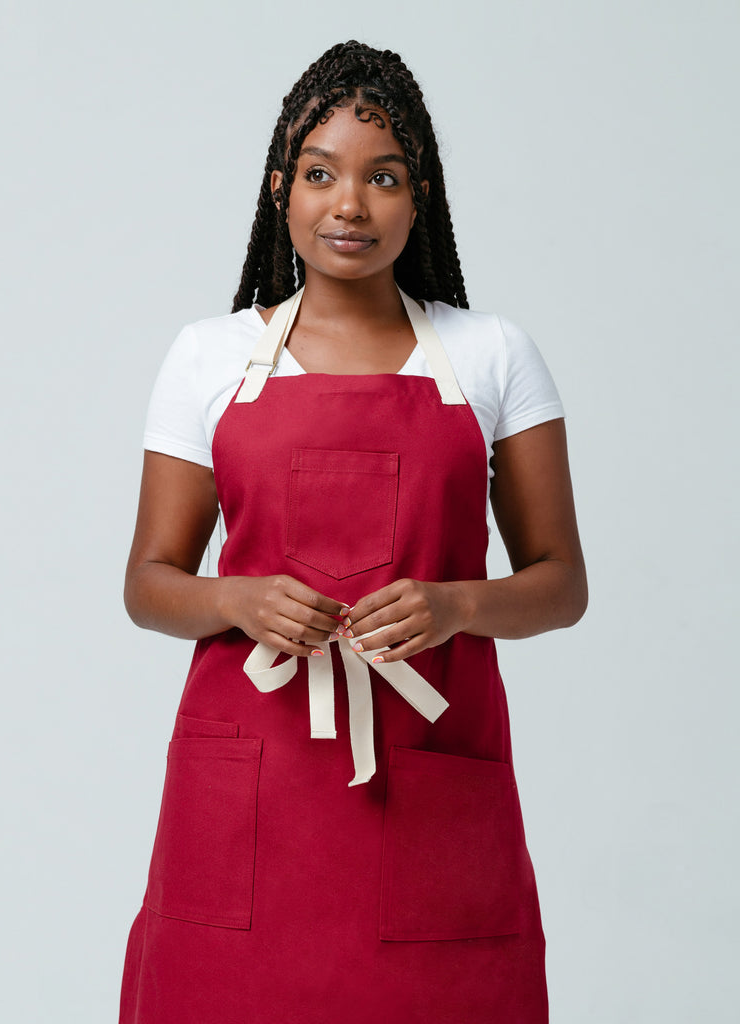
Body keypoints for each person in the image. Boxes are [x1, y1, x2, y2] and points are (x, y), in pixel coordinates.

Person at [119, 40, 587, 1024]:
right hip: (252, 783)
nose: (350, 205)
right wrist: (235, 599)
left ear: (420, 196)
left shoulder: (491, 352)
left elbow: (560, 581)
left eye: (383, 177)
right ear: (281, 188)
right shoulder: (211, 356)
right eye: (321, 173)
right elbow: (150, 582)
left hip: (428, 777)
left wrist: (455, 602)